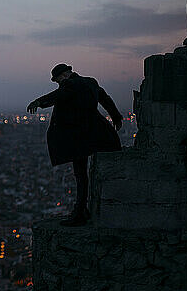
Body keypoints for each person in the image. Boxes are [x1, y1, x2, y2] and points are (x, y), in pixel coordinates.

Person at [27, 64, 123, 226]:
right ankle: (82, 209)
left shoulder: (70, 85)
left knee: (80, 174)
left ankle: (80, 212)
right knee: (83, 174)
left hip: (79, 136)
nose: (59, 83)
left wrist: (39, 101)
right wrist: (116, 116)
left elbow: (59, 94)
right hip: (96, 133)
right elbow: (105, 98)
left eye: (58, 81)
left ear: (63, 76)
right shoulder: (91, 82)